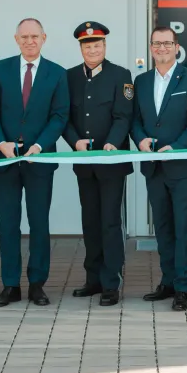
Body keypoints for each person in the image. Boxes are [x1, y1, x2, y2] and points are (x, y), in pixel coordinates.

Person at [0, 18, 69, 307]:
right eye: (24, 37)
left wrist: (39, 145)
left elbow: (59, 115)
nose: (30, 41)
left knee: (39, 224)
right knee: (8, 224)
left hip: (39, 160)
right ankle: (9, 285)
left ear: (44, 38)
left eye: (35, 36)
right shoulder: (1, 69)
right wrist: (0, 143)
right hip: (5, 159)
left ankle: (37, 284)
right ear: (16, 39)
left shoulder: (56, 73)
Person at [131, 25, 187, 311]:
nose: (161, 48)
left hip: (183, 167)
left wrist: (176, 147)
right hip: (153, 167)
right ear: (151, 48)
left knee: (184, 227)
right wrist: (140, 140)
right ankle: (168, 280)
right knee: (162, 227)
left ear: (177, 47)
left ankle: (183, 287)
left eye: (167, 43)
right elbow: (135, 120)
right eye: (156, 43)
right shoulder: (140, 82)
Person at [63, 21, 133, 307]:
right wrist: (74, 142)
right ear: (81, 48)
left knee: (110, 222)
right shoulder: (69, 77)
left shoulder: (121, 75)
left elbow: (123, 116)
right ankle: (92, 279)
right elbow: (63, 117)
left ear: (105, 46)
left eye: (97, 45)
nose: (93, 49)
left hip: (111, 163)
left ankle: (110, 283)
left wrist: (113, 143)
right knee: (90, 221)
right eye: (87, 46)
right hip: (84, 162)